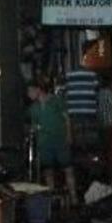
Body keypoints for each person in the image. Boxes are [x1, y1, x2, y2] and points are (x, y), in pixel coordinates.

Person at [27, 78, 76, 207]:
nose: (29, 94)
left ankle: (74, 198)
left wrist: (69, 135)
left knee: (68, 169)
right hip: (44, 143)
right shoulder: (33, 108)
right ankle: (51, 201)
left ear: (38, 89)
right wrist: (35, 130)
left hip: (60, 140)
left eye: (30, 91)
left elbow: (66, 118)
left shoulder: (56, 101)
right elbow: (34, 125)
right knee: (48, 172)